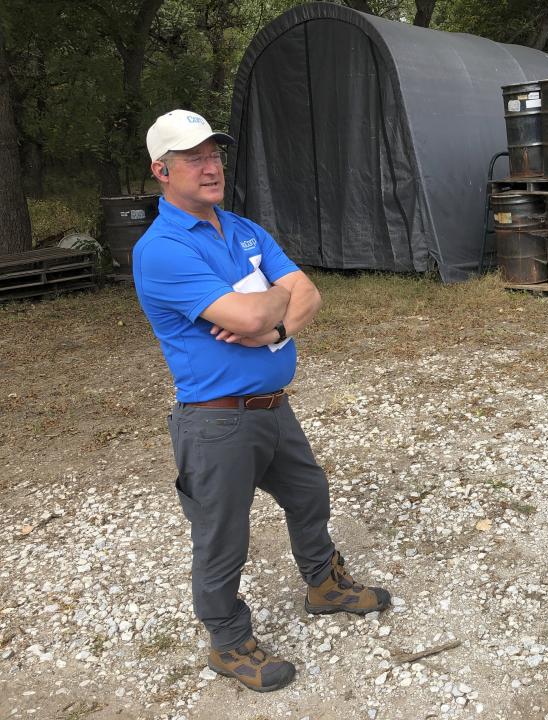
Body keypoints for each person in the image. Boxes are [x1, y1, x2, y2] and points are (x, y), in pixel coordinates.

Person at [133, 109, 391, 693]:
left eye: (214, 153)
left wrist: (271, 328)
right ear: (161, 170)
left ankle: (324, 585)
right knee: (223, 539)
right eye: (192, 157)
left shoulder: (243, 229)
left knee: (309, 494)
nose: (209, 166)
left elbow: (309, 293)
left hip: (274, 406)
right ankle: (227, 641)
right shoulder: (163, 249)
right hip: (216, 422)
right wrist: (273, 301)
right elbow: (263, 303)